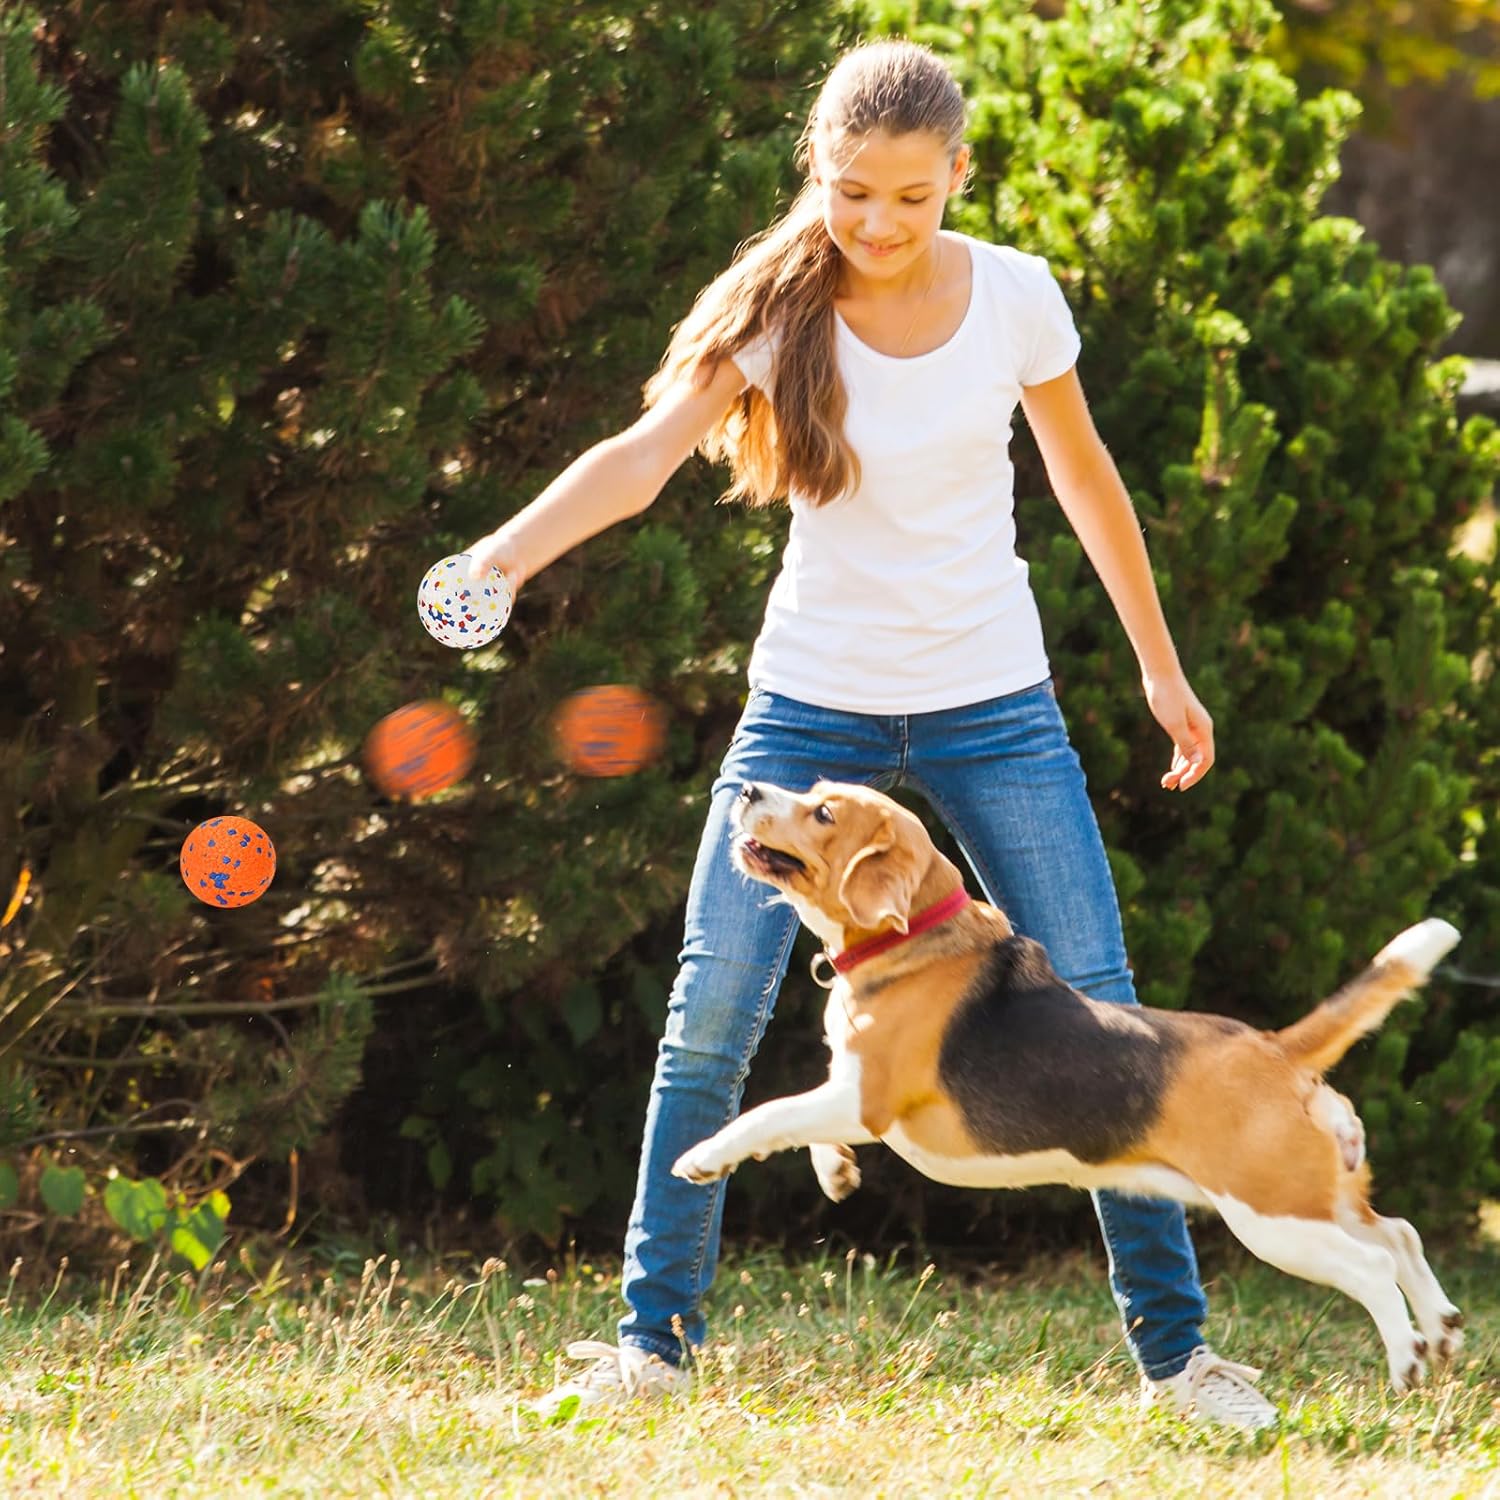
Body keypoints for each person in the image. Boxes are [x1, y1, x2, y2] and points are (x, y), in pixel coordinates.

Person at [466, 39, 1278, 1430]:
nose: (880, 223)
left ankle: (1178, 1359)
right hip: (809, 704)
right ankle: (651, 1347)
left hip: (993, 702)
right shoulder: (779, 311)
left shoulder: (1014, 295)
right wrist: (503, 554)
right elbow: (644, 456)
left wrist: (1162, 667)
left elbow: (1086, 478)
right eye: (852, 193)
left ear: (958, 172)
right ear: (817, 172)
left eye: (911, 196)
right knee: (711, 1015)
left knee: (1097, 996)